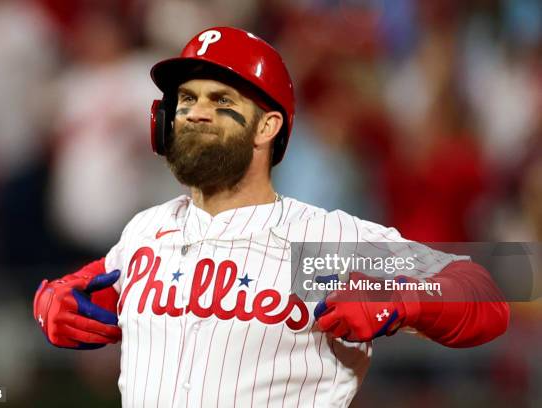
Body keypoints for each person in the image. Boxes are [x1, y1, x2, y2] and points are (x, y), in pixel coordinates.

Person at [33, 27, 510, 407]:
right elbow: (79, 289)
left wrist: (403, 298)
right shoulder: (145, 231)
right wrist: (50, 302)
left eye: (221, 100)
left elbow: (488, 297)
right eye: (186, 99)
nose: (196, 112)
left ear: (268, 125)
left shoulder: (321, 243)